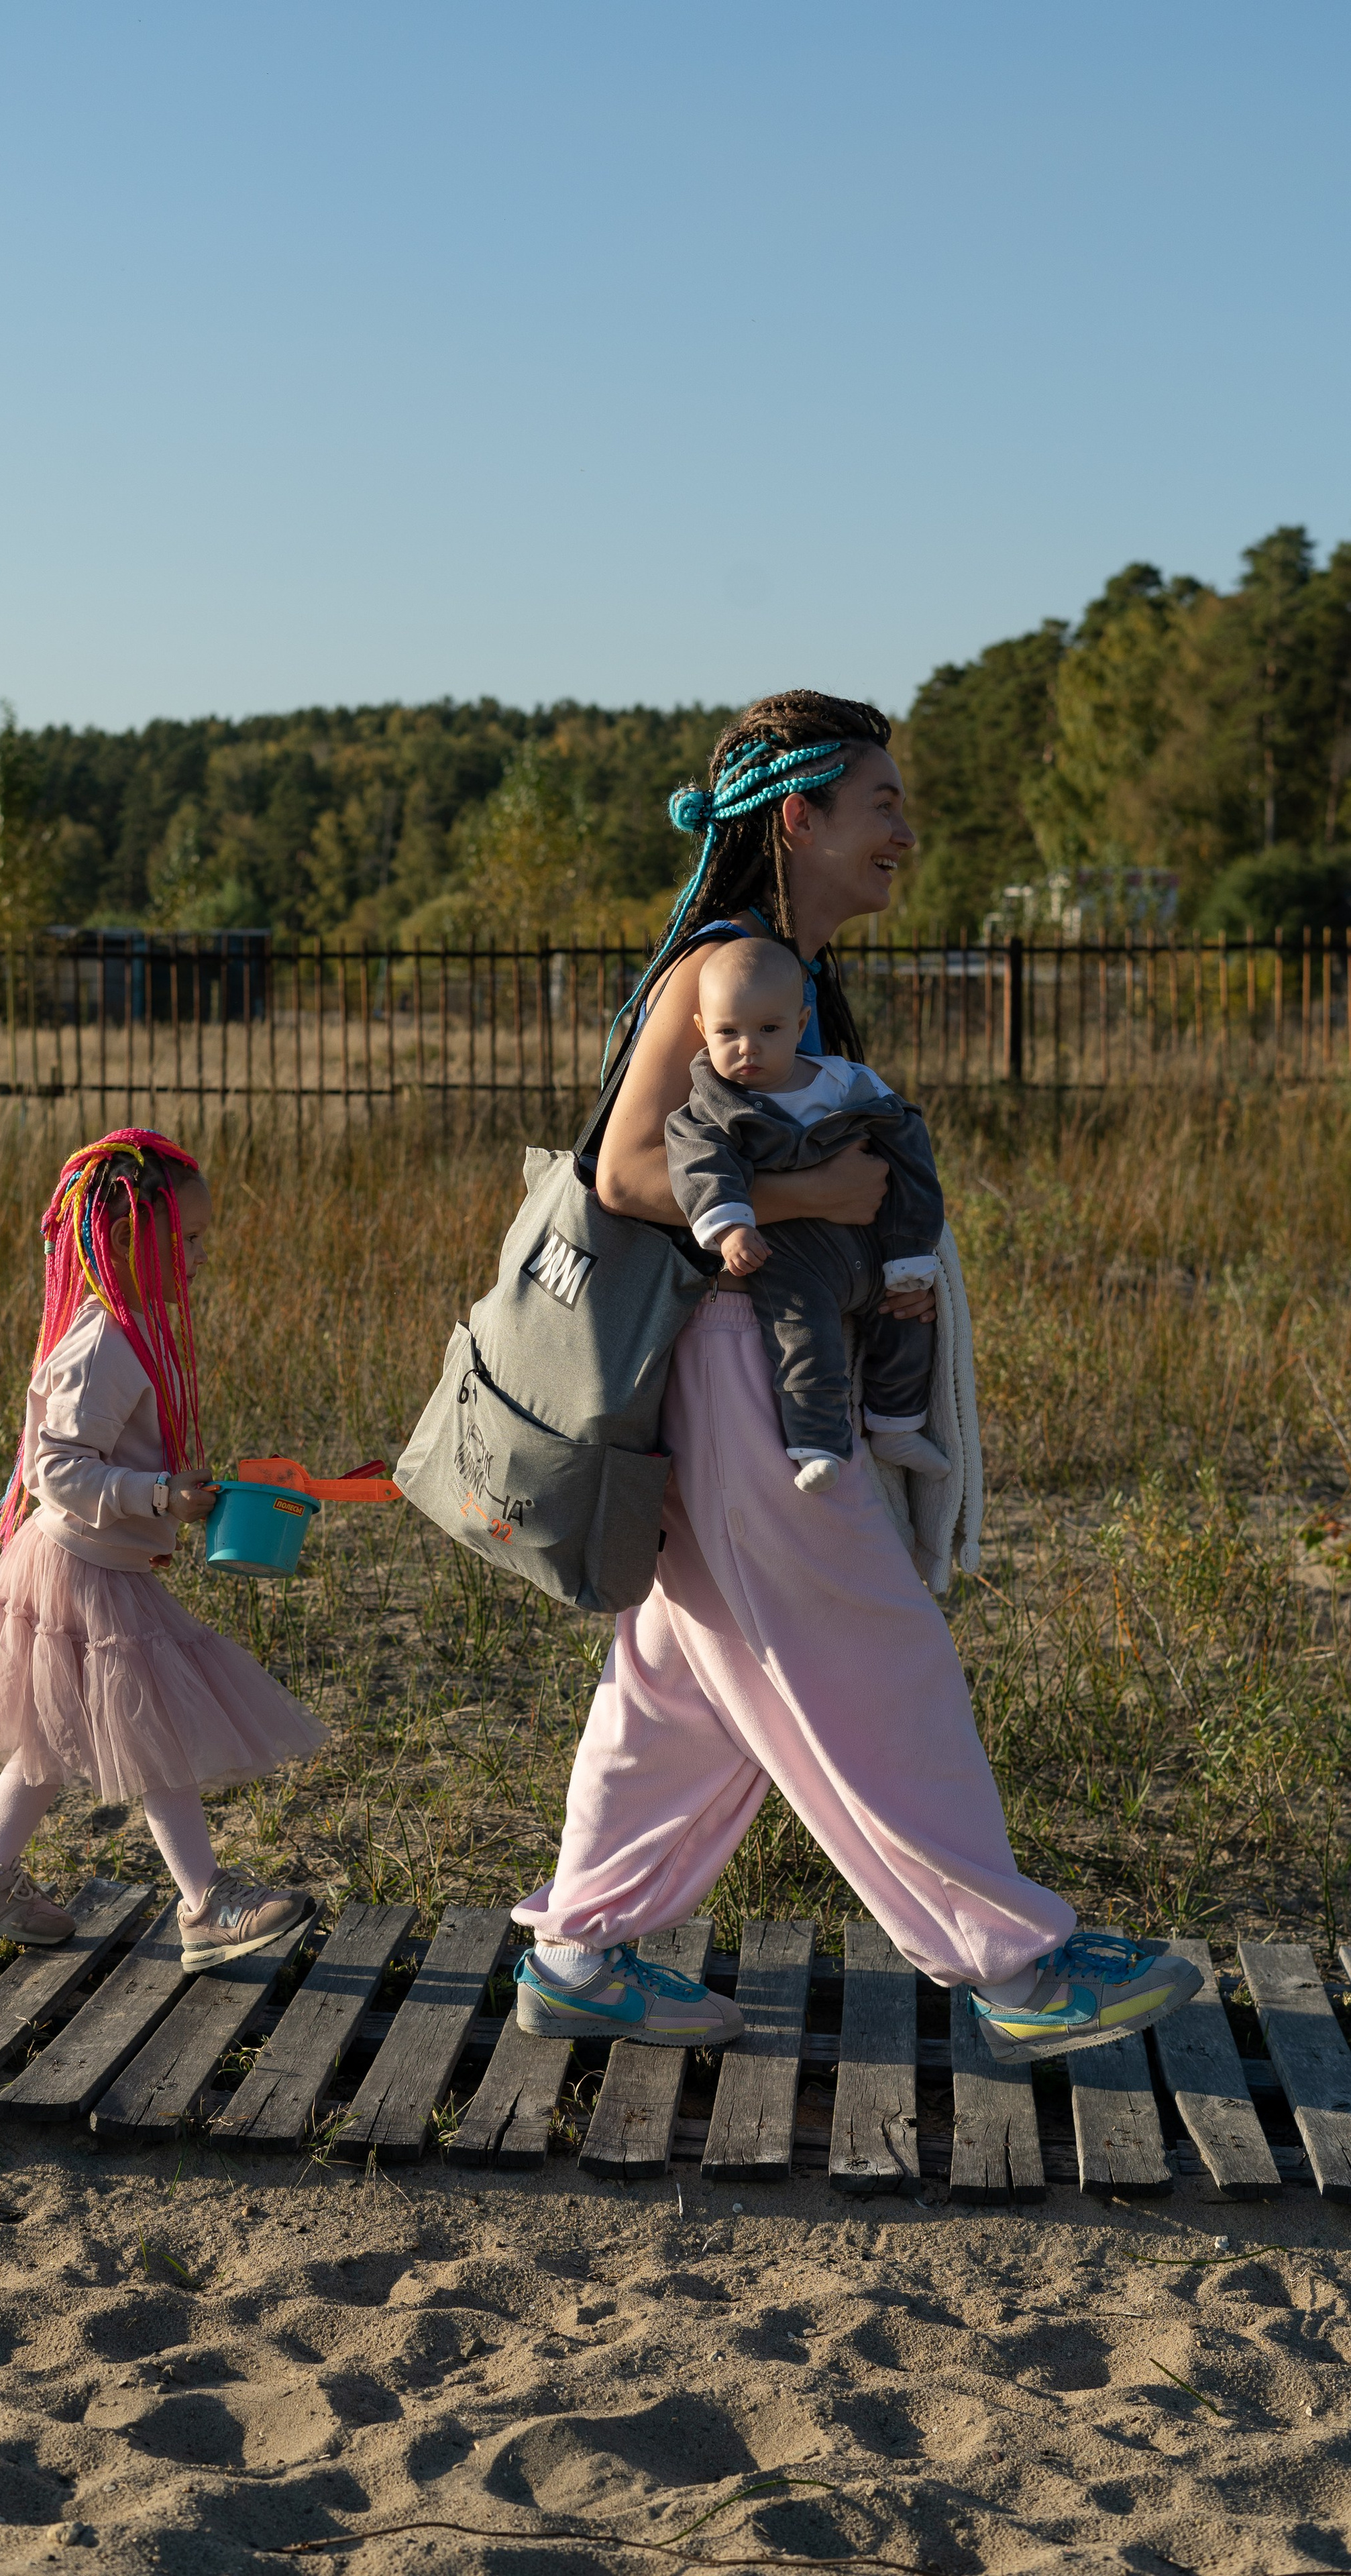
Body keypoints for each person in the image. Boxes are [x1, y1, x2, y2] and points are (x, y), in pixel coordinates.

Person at [510, 692, 1200, 2064]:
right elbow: (624, 1168)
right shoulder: (732, 961)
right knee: (868, 1646)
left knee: (680, 1680)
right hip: (746, 1371)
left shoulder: (781, 976)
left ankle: (582, 1950)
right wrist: (825, 1186)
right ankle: (1012, 1960)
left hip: (743, 1363)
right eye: (879, 803)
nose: (904, 830)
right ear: (797, 817)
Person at [0, 1127, 323, 1970]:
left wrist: (177, 1489)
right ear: (127, 1240)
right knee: (153, 1730)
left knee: (56, 1733)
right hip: (80, 1568)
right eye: (189, 1240)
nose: (202, 1256)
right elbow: (54, 1467)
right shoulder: (105, 1341)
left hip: (96, 1560)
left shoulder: (132, 1331)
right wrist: (151, 1496)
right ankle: (207, 1905)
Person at [664, 935, 947, 1493]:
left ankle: (898, 1424)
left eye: (768, 1030)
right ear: (702, 1029)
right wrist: (732, 1226)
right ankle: (817, 1444)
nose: (748, 1047)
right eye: (729, 1032)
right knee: (803, 1343)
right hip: (794, 1262)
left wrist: (910, 1245)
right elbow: (699, 1166)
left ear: (801, 1023)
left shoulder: (846, 1083)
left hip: (869, 1245)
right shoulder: (711, 1111)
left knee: (907, 1323)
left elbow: (905, 1142)